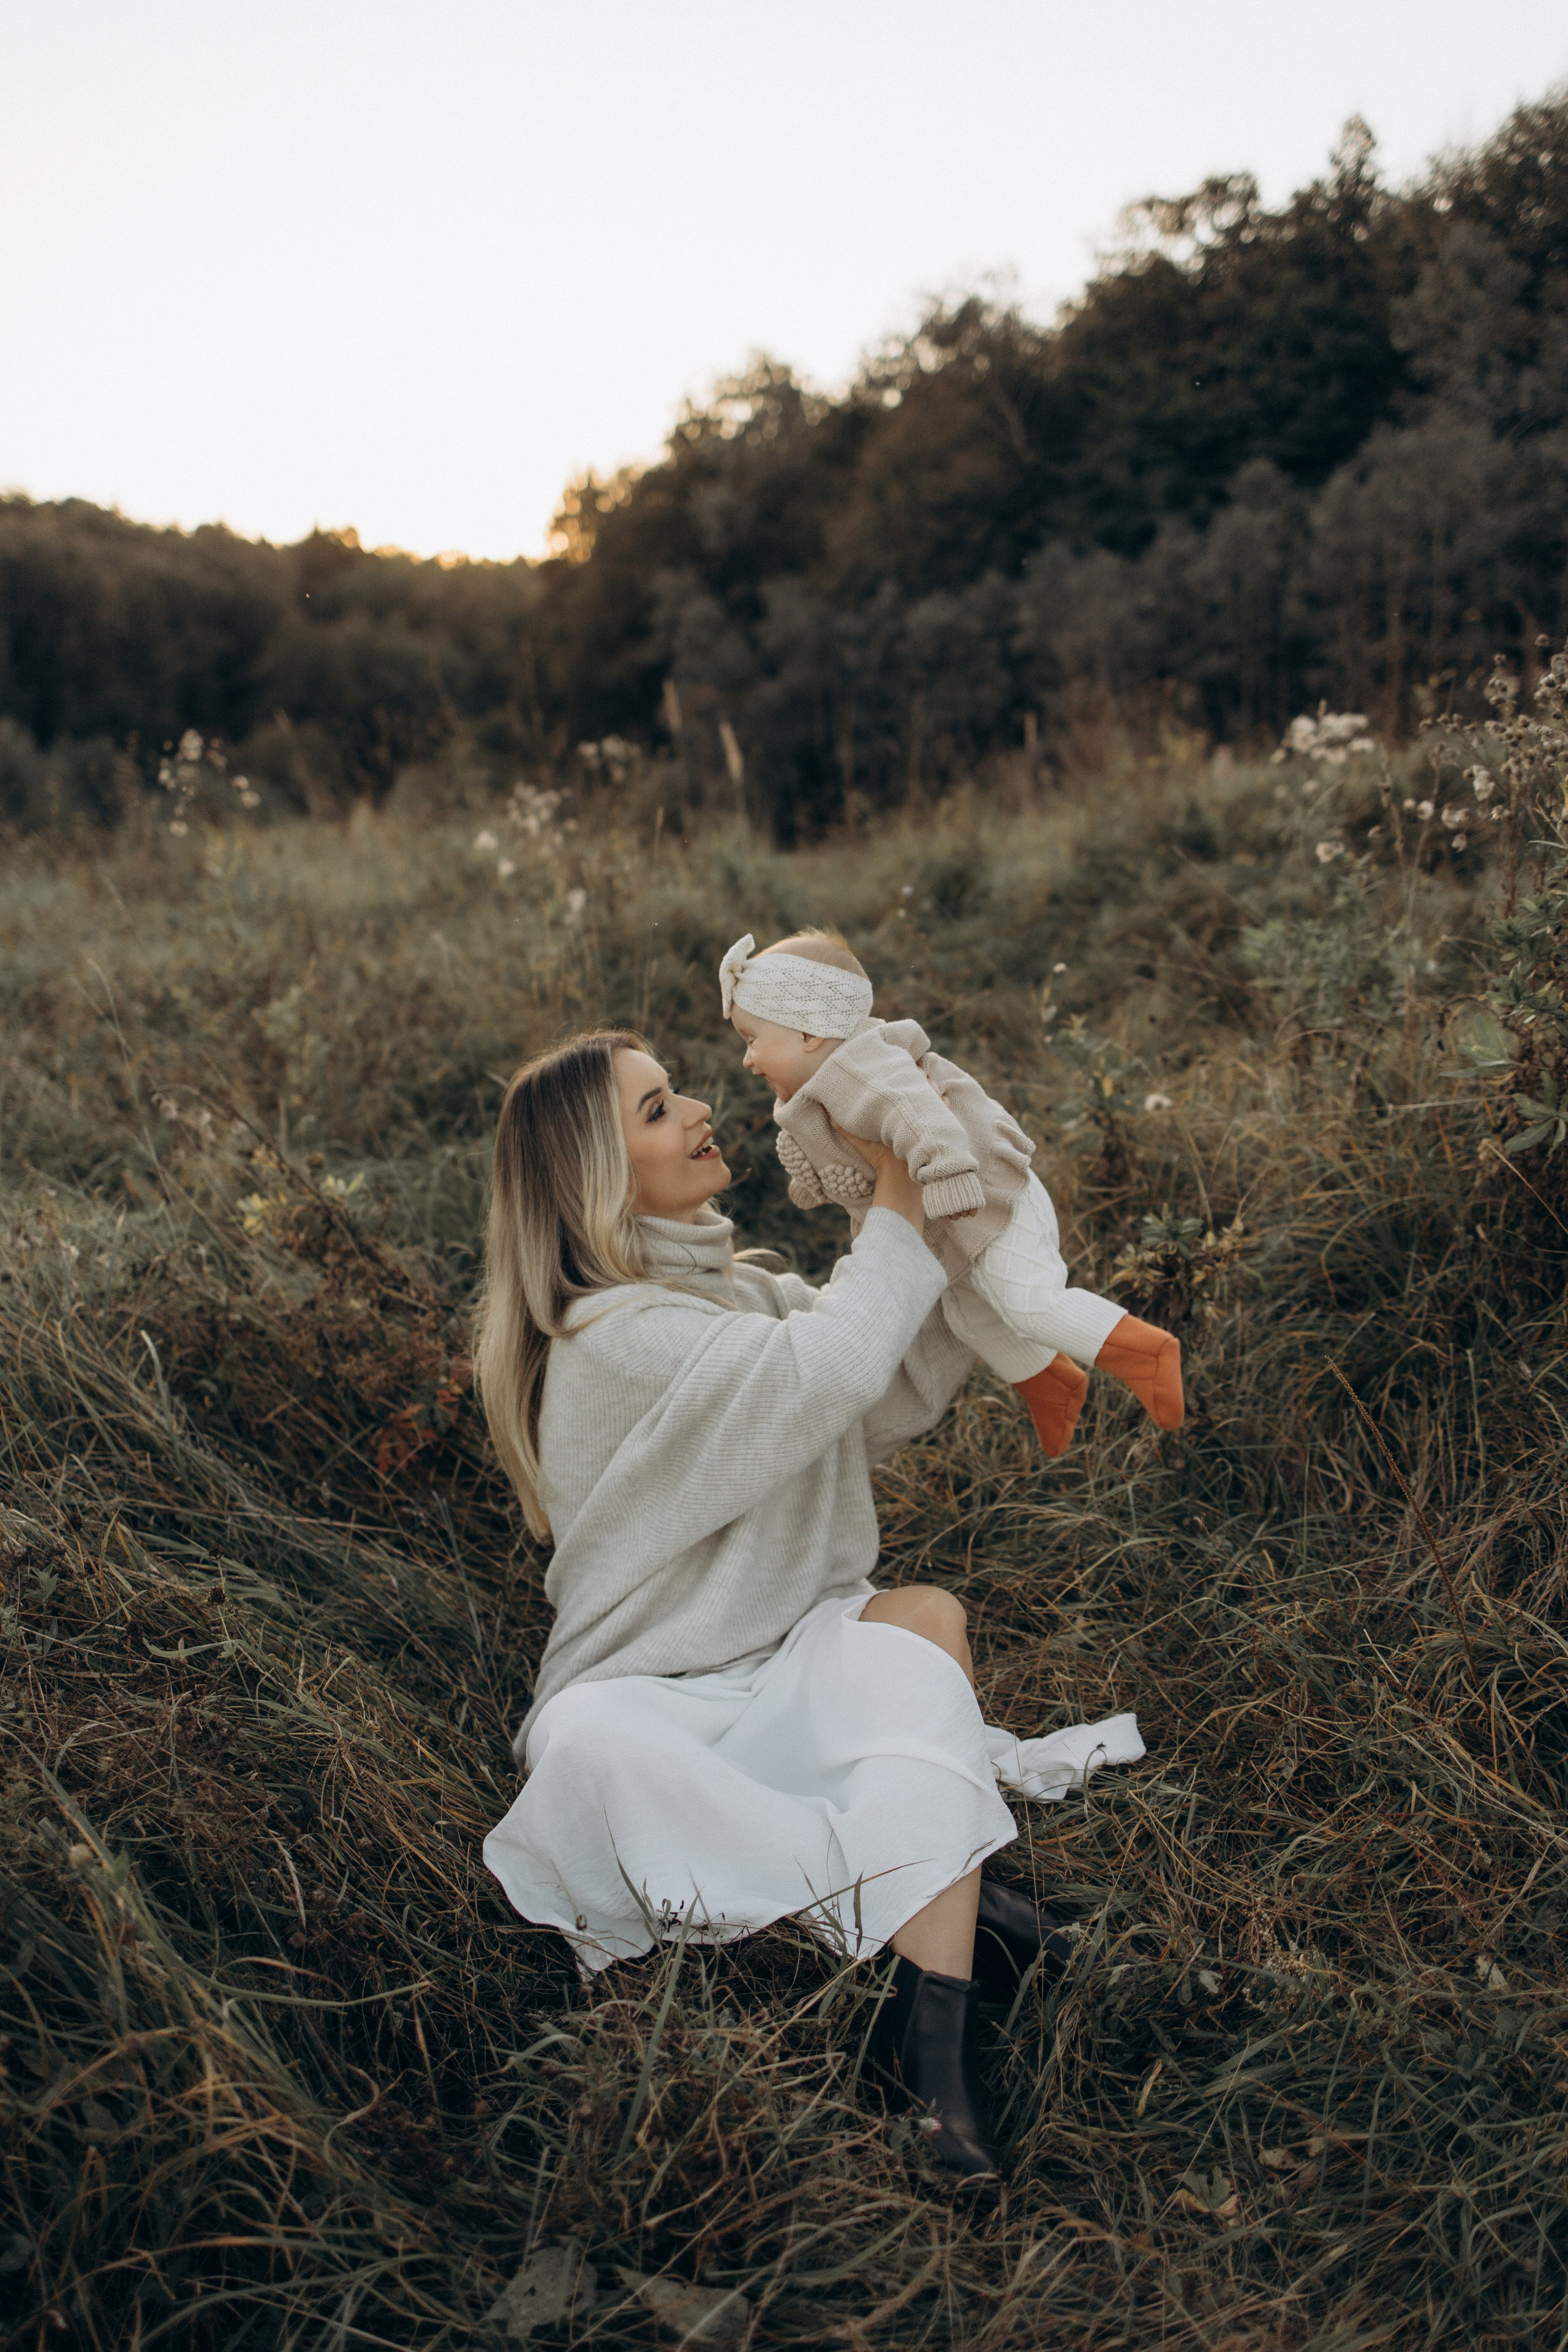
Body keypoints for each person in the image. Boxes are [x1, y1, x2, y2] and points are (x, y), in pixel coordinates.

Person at [477, 1029, 1143, 2190]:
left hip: (780, 1658)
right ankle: (956, 1986)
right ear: (596, 1175)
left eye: (675, 1089)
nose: (694, 1107)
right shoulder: (614, 1340)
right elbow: (828, 1368)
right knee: (594, 1753)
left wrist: (963, 1222)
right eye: (653, 1110)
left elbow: (876, 1386)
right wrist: (894, 1186)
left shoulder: (735, 1291)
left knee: (925, 1621)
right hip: (658, 1694)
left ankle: (929, 2010)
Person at [719, 929, 1184, 1458]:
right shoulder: (821, 1085)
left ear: (808, 1033)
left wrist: (950, 1173)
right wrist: (818, 1181)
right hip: (946, 1217)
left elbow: (920, 1114)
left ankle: (1146, 1353)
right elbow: (838, 1150)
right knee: (969, 1316)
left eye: (751, 1039)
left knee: (1029, 1302)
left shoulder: (864, 1065)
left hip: (982, 1194)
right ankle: (1051, 1383)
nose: (747, 1060)